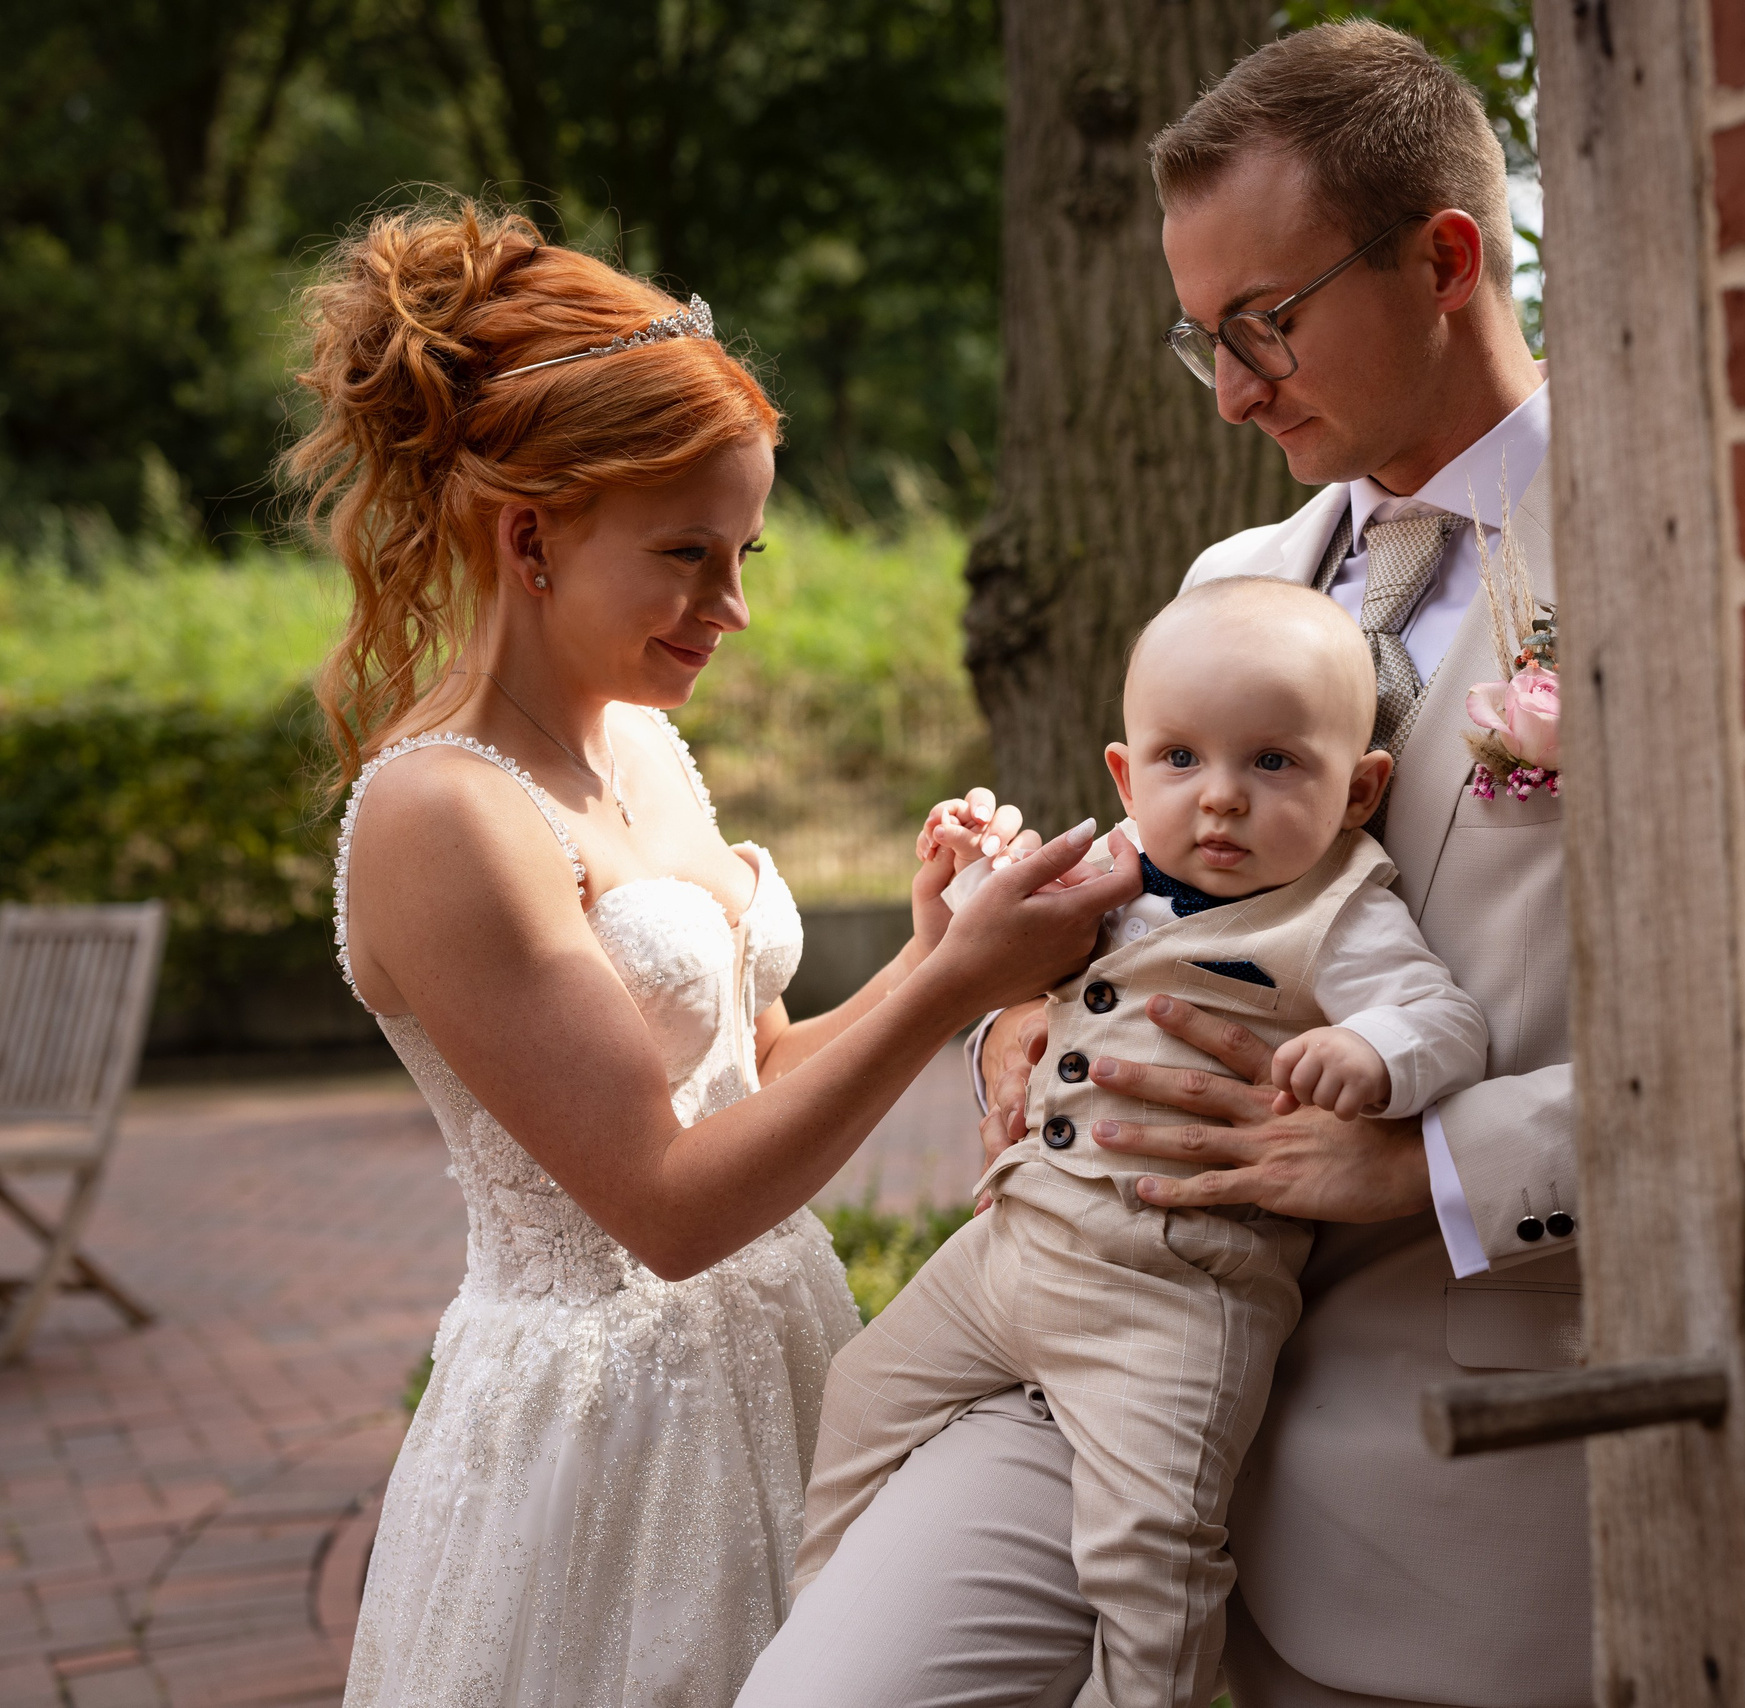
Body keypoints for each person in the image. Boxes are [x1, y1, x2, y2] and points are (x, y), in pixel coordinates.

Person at [760, 21, 1588, 1707]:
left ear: (1444, 259)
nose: (1229, 390)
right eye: (1197, 339)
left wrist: (1427, 1166)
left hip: (1442, 1446)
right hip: (1079, 1346)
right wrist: (1011, 1004)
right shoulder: (1229, 573)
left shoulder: (1667, 554)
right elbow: (1175, 901)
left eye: (1264, 324)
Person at [299, 200, 1138, 1708]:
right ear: (531, 530)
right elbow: (669, 1210)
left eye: (744, 551)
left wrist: (937, 949)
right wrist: (947, 987)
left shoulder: (640, 746)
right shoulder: (441, 815)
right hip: (603, 1444)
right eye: (689, 555)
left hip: (788, 1360)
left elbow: (746, 1077)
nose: (733, 610)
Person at [766, 580, 1488, 1708]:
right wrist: (970, 884)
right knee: (860, 1391)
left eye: (1274, 765)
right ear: (1124, 773)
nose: (1220, 802)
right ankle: (822, 1597)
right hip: (1011, 1248)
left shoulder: (1339, 914)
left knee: (1150, 1551)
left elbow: (1446, 1019)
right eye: (1181, 761)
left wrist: (1376, 1056)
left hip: (1172, 1293)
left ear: (1361, 791)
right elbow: (1019, 967)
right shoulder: (1107, 866)